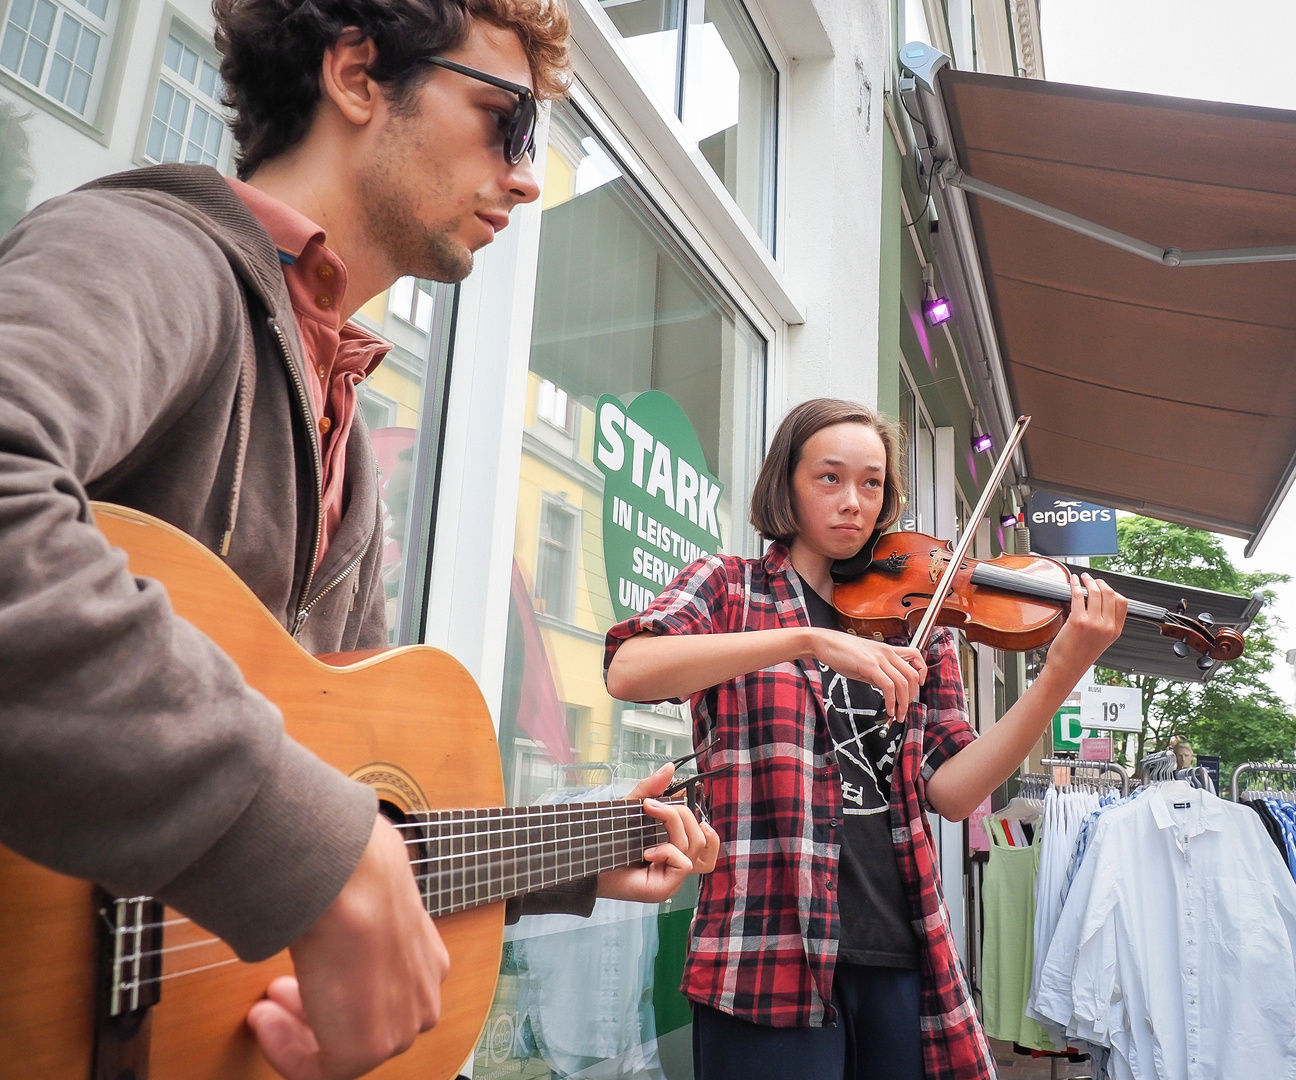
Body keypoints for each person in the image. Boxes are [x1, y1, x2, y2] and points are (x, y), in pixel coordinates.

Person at [0, 1, 716, 1078]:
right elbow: (316, 835)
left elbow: (343, 810)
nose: (525, 177)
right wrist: (309, 845)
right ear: (355, 75)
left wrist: (570, 857)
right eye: (505, 121)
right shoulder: (149, 251)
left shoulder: (343, 422)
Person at [604, 398, 1127, 1080]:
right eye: (830, 478)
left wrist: (1062, 671)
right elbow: (629, 670)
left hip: (897, 952)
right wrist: (807, 638)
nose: (853, 501)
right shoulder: (729, 587)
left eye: (871, 483)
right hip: (765, 951)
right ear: (786, 483)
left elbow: (954, 788)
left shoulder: (922, 624)